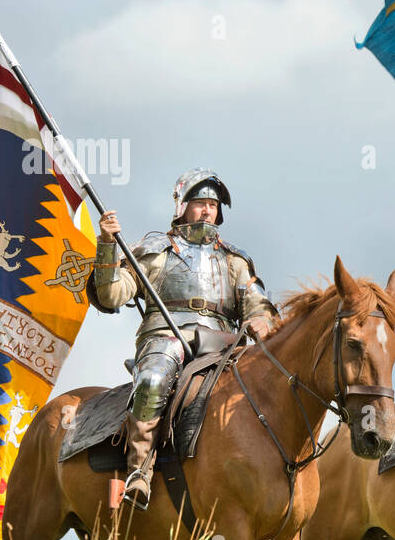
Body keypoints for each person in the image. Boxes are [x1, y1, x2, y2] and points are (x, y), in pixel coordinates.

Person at [92, 168, 278, 509]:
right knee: (151, 379)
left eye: (213, 204)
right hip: (166, 336)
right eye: (200, 203)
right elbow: (111, 295)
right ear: (182, 206)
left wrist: (261, 320)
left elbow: (257, 303)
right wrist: (106, 246)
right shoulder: (155, 250)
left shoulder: (235, 260)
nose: (207, 210)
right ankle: (139, 471)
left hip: (224, 345)